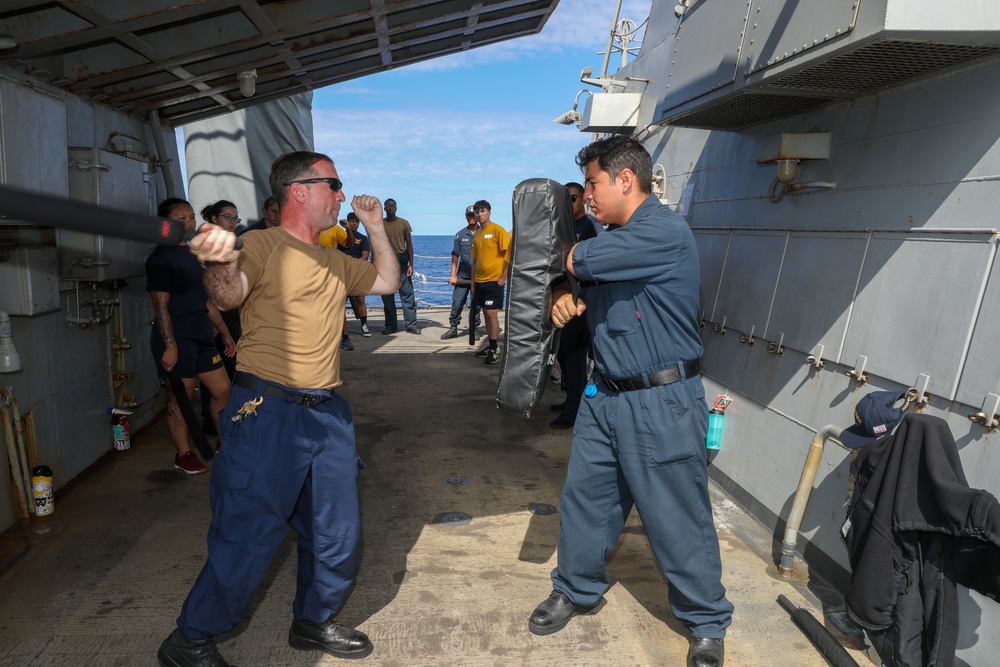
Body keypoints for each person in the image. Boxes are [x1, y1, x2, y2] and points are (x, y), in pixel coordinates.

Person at [156, 151, 401, 667]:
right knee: (249, 530)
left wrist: (377, 227)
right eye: (333, 184)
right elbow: (226, 296)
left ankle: (313, 622)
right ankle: (191, 638)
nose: (341, 194)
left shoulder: (334, 258)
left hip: (327, 413)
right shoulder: (259, 245)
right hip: (268, 409)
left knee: (336, 532)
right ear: (299, 191)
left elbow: (387, 283)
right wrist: (220, 256)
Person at [528, 136, 733, 667]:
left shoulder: (661, 232)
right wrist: (563, 295)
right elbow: (590, 283)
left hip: (660, 400)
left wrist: (560, 262)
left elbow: (574, 255)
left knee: (676, 514)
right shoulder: (619, 237)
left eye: (592, 185)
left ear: (625, 179)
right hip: (605, 396)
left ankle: (706, 621)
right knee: (587, 502)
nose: (587, 198)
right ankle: (575, 588)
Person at [145, 198, 234, 474]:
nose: (188, 222)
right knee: (182, 398)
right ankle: (183, 454)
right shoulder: (160, 258)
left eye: (191, 217)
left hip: (201, 334)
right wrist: (170, 346)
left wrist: (224, 332)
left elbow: (205, 300)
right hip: (177, 334)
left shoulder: (194, 255)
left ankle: (225, 443)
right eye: (180, 218)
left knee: (223, 391)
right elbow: (160, 305)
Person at [549, 182, 603, 430]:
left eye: (572, 199)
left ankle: (574, 411)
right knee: (564, 354)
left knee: (574, 357)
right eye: (564, 200)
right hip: (566, 299)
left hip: (581, 302)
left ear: (582, 199)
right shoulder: (566, 228)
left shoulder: (591, 226)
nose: (569, 204)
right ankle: (570, 399)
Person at [198, 201, 243, 432]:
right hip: (213, 314)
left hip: (231, 311)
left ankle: (224, 417)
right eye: (228, 217)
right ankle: (213, 420)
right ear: (214, 219)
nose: (233, 222)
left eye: (236, 218)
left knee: (231, 366)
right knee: (216, 368)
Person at [469, 200, 509, 364]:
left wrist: (503, 277)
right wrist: (472, 284)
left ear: (489, 212)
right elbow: (474, 260)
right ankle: (491, 345)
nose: (479, 214)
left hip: (494, 281)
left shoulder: (498, 231)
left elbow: (508, 255)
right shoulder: (477, 234)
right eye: (477, 211)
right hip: (480, 282)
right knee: (485, 312)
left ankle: (495, 349)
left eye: (482, 211)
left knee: (492, 313)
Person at [379, 198, 420, 335]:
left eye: (393, 206)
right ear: (384, 208)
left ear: (396, 208)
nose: (390, 208)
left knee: (407, 295)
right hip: (385, 263)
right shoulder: (380, 224)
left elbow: (409, 244)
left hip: (402, 262)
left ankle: (411, 325)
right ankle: (391, 326)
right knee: (387, 297)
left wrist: (411, 265)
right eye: (388, 206)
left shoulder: (404, 223)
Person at [441, 205, 481, 340]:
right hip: (462, 276)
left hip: (479, 277)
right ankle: (453, 328)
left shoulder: (484, 233)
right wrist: (453, 275)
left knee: (476, 305)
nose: (471, 217)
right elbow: (455, 255)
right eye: (469, 215)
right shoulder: (460, 234)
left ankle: (474, 329)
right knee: (457, 303)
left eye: (473, 215)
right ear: (466, 217)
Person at [340, 212, 372, 339]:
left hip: (356, 273)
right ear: (348, 221)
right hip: (342, 273)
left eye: (357, 221)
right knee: (340, 303)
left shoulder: (363, 238)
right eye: (352, 221)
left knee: (360, 299)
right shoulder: (341, 236)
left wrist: (355, 267)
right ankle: (342, 330)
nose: (354, 223)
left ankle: (364, 325)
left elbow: (365, 255)